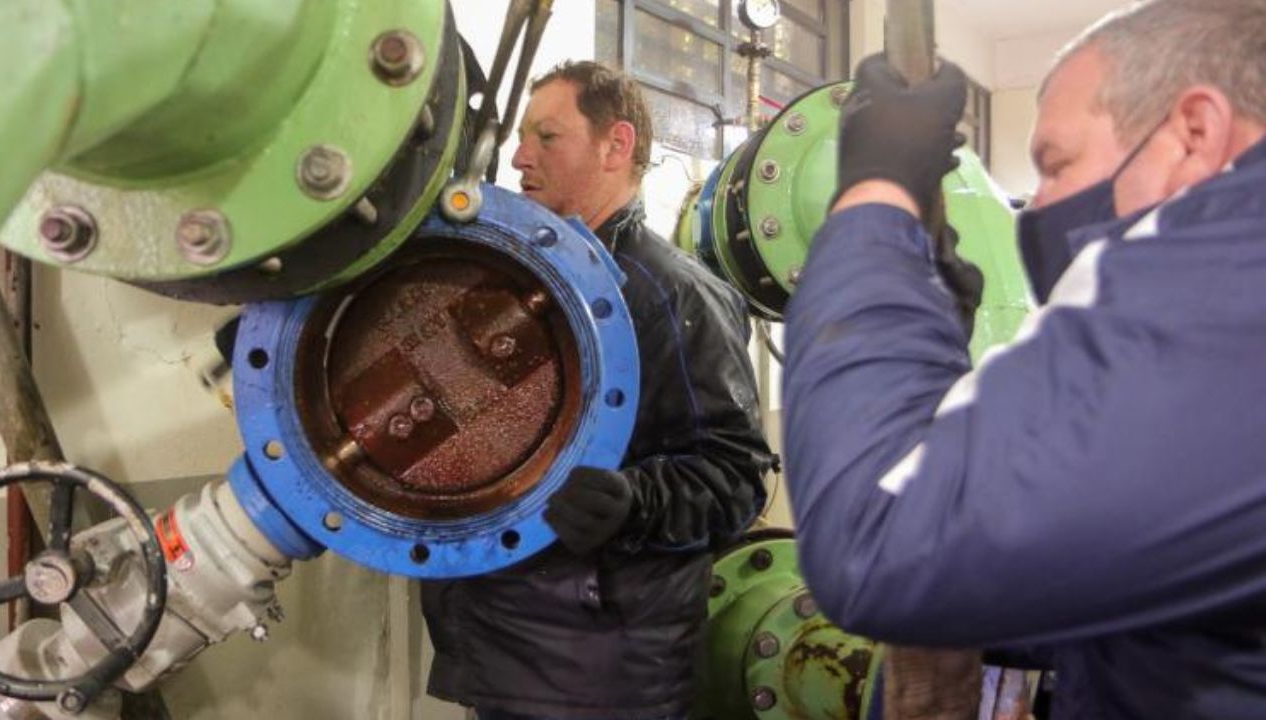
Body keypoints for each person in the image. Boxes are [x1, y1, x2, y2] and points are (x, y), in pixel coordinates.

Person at [782, 0, 1266, 718]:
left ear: (1195, 133)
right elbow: (1130, 572)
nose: (1035, 203)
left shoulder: (1233, 291)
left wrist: (877, 195)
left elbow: (877, 537)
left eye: (1056, 163)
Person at [421, 60, 773, 720]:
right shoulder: (514, 279)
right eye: (522, 136)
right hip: (497, 654)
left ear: (617, 145)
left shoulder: (675, 295)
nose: (520, 156)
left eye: (546, 137)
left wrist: (634, 504)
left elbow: (737, 478)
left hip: (604, 678)